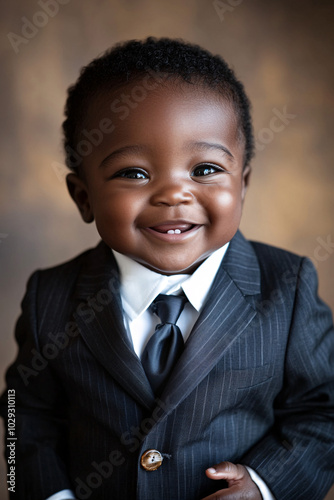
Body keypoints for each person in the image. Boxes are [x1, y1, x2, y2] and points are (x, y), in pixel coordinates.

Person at [1, 37, 333, 500]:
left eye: (205, 170)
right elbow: (22, 414)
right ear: (83, 197)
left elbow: (324, 410)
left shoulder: (287, 287)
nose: (174, 195)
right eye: (134, 173)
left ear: (243, 185)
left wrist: (264, 485)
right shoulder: (49, 297)